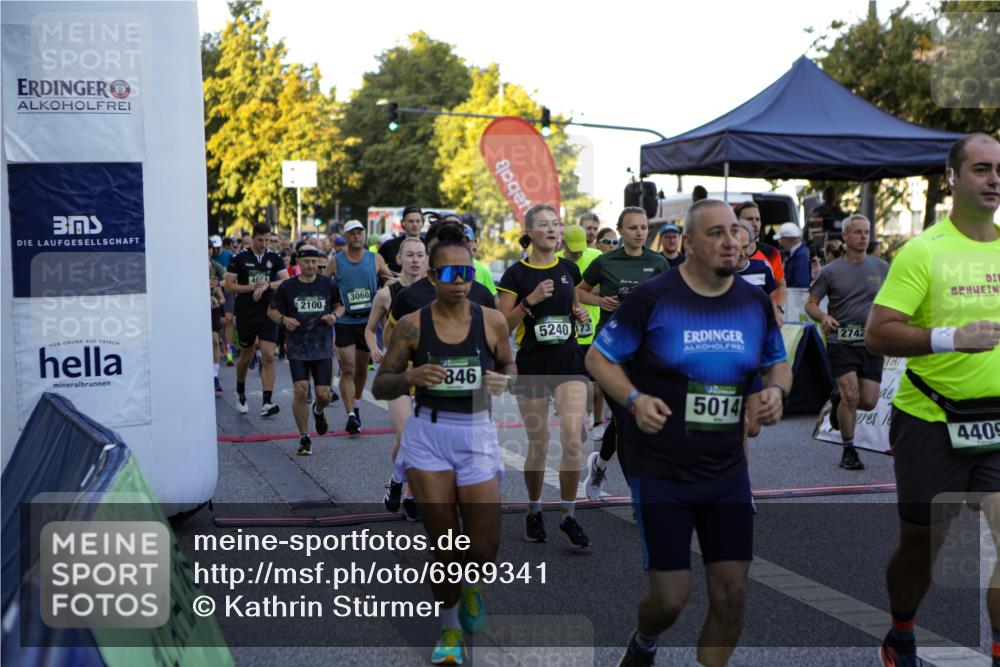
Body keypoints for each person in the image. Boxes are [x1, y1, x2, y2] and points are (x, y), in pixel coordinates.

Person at [586, 199, 791, 667]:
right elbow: (598, 357)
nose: (730, 241)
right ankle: (644, 643)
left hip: (726, 470)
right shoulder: (653, 298)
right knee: (670, 598)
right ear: (690, 243)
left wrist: (776, 391)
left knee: (732, 595)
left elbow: (776, 361)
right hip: (661, 469)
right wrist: (634, 400)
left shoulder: (752, 302)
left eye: (735, 231)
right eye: (716, 233)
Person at [865, 133, 1000, 667]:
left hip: (997, 422)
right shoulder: (923, 251)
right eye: (981, 169)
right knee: (922, 549)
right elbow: (878, 333)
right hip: (931, 419)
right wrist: (950, 338)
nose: (994, 179)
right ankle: (901, 631)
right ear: (952, 178)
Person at [372, 233, 515, 665]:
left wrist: (505, 379)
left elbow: (508, 364)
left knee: (484, 548)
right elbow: (381, 384)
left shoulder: (492, 320)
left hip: (476, 434)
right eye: (451, 273)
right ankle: (450, 628)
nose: (460, 281)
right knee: (444, 541)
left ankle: (471, 586)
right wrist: (410, 378)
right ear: (433, 277)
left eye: (467, 272)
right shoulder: (412, 325)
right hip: (428, 437)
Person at [498, 206, 592, 548]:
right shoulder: (516, 274)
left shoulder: (569, 269)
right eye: (544, 225)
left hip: (570, 363)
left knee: (572, 438)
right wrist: (529, 302)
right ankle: (534, 509)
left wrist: (579, 314)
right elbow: (501, 326)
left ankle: (568, 515)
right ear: (530, 232)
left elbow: (574, 308)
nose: (553, 229)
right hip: (534, 364)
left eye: (556, 224)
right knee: (538, 443)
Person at [577, 207, 669, 501]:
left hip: (646, 352)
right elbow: (579, 291)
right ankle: (640, 496)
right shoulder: (605, 262)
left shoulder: (658, 262)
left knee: (631, 421)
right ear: (620, 230)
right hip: (611, 353)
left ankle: (599, 465)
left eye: (643, 227)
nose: (639, 232)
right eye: (633, 228)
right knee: (628, 420)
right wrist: (599, 301)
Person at [805, 214, 887, 471]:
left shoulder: (882, 268)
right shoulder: (831, 271)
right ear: (845, 236)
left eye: (867, 232)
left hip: (872, 342)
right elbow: (810, 304)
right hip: (840, 340)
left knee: (868, 401)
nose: (863, 237)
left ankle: (837, 399)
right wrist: (823, 316)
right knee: (852, 394)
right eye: (858, 232)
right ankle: (849, 451)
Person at [365, 237, 428, 512]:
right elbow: (370, 329)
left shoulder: (435, 291)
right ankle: (397, 478)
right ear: (399, 259)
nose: (415, 260)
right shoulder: (386, 294)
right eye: (410, 255)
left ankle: (410, 492)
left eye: (420, 255)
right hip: (397, 370)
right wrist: (375, 348)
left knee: (422, 435)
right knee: (405, 434)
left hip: (425, 369)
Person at [268, 245, 340, 455]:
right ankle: (304, 437)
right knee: (301, 390)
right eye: (306, 261)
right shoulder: (288, 287)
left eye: (314, 262)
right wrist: (284, 319)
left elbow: (340, 306)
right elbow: (272, 311)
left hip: (322, 346)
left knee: (324, 395)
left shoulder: (328, 284)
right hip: (297, 347)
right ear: (298, 262)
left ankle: (318, 410)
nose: (311, 265)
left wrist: (334, 316)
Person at [325, 220, 394, 434]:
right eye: (352, 233)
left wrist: (388, 287)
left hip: (367, 322)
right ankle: (351, 416)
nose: (356, 236)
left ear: (364, 235)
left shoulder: (375, 258)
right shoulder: (336, 261)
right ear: (345, 237)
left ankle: (356, 406)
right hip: (345, 321)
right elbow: (322, 285)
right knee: (348, 368)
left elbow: (390, 278)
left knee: (362, 368)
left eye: (359, 233)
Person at [225, 222, 288, 417]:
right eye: (260, 240)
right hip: (246, 313)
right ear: (253, 238)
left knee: (268, 355)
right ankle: (240, 391)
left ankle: (267, 402)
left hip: (268, 312)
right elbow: (229, 286)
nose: (264, 244)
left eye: (267, 240)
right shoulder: (239, 258)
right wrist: (252, 287)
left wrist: (267, 285)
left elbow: (286, 281)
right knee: (246, 355)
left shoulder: (274, 257)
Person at [558, 224, 608, 440]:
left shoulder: (596, 256)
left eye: (580, 248)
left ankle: (597, 422)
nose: (578, 253)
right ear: (564, 244)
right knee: (576, 384)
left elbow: (605, 285)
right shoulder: (556, 261)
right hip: (570, 333)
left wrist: (583, 294)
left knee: (597, 384)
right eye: (573, 249)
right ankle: (579, 417)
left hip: (594, 327)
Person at [735, 201, 786, 321]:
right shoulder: (724, 256)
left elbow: (780, 285)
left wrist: (777, 309)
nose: (755, 224)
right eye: (749, 219)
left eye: (757, 219)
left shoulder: (772, 253)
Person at [379, 205, 424, 273]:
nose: (415, 224)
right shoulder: (389, 246)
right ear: (403, 223)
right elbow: (376, 265)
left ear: (422, 223)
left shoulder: (428, 246)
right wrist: (387, 276)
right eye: (411, 221)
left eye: (418, 221)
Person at [209, 248, 226, 394]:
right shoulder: (191, 266)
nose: (208, 251)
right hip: (195, 308)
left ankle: (215, 377)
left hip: (212, 309)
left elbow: (223, 299)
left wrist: (217, 301)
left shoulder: (215, 267)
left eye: (209, 249)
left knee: (215, 340)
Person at [775, 222, 810, 288]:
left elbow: (801, 285)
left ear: (788, 239)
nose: (781, 243)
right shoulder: (796, 254)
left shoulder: (801, 256)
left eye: (781, 239)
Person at [464, 224, 497, 295]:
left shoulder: (483, 270)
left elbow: (493, 300)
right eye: (458, 241)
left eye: (466, 241)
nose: (462, 244)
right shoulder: (443, 266)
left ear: (474, 242)